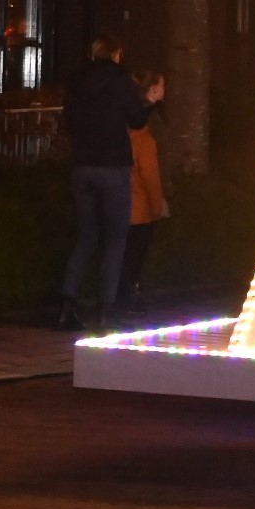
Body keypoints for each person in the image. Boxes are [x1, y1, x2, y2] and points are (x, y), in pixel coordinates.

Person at [57, 35, 163, 331]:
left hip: (82, 166)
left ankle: (67, 305)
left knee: (86, 237)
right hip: (113, 167)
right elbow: (137, 120)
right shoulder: (121, 81)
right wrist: (149, 106)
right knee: (116, 241)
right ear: (117, 53)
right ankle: (105, 311)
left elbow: (69, 121)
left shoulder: (76, 80)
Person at [118, 69, 168, 315]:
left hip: (122, 201)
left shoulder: (124, 135)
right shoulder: (145, 138)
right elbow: (150, 175)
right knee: (135, 255)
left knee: (122, 252)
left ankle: (118, 297)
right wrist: (157, 206)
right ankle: (128, 297)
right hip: (140, 208)